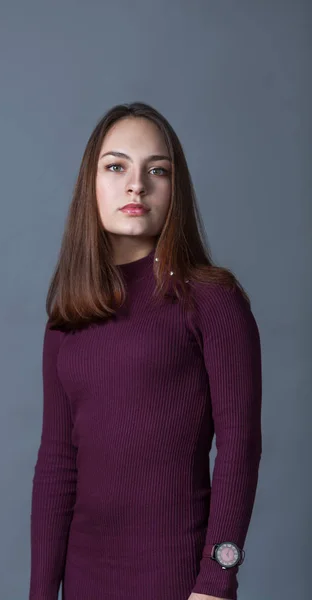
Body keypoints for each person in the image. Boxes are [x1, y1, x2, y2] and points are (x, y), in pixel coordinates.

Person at [28, 102, 262, 600]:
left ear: (175, 189)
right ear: (90, 184)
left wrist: (218, 579)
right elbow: (56, 465)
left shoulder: (210, 298)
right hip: (85, 579)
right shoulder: (67, 317)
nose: (136, 185)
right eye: (116, 167)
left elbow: (241, 447)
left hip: (178, 582)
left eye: (157, 170)